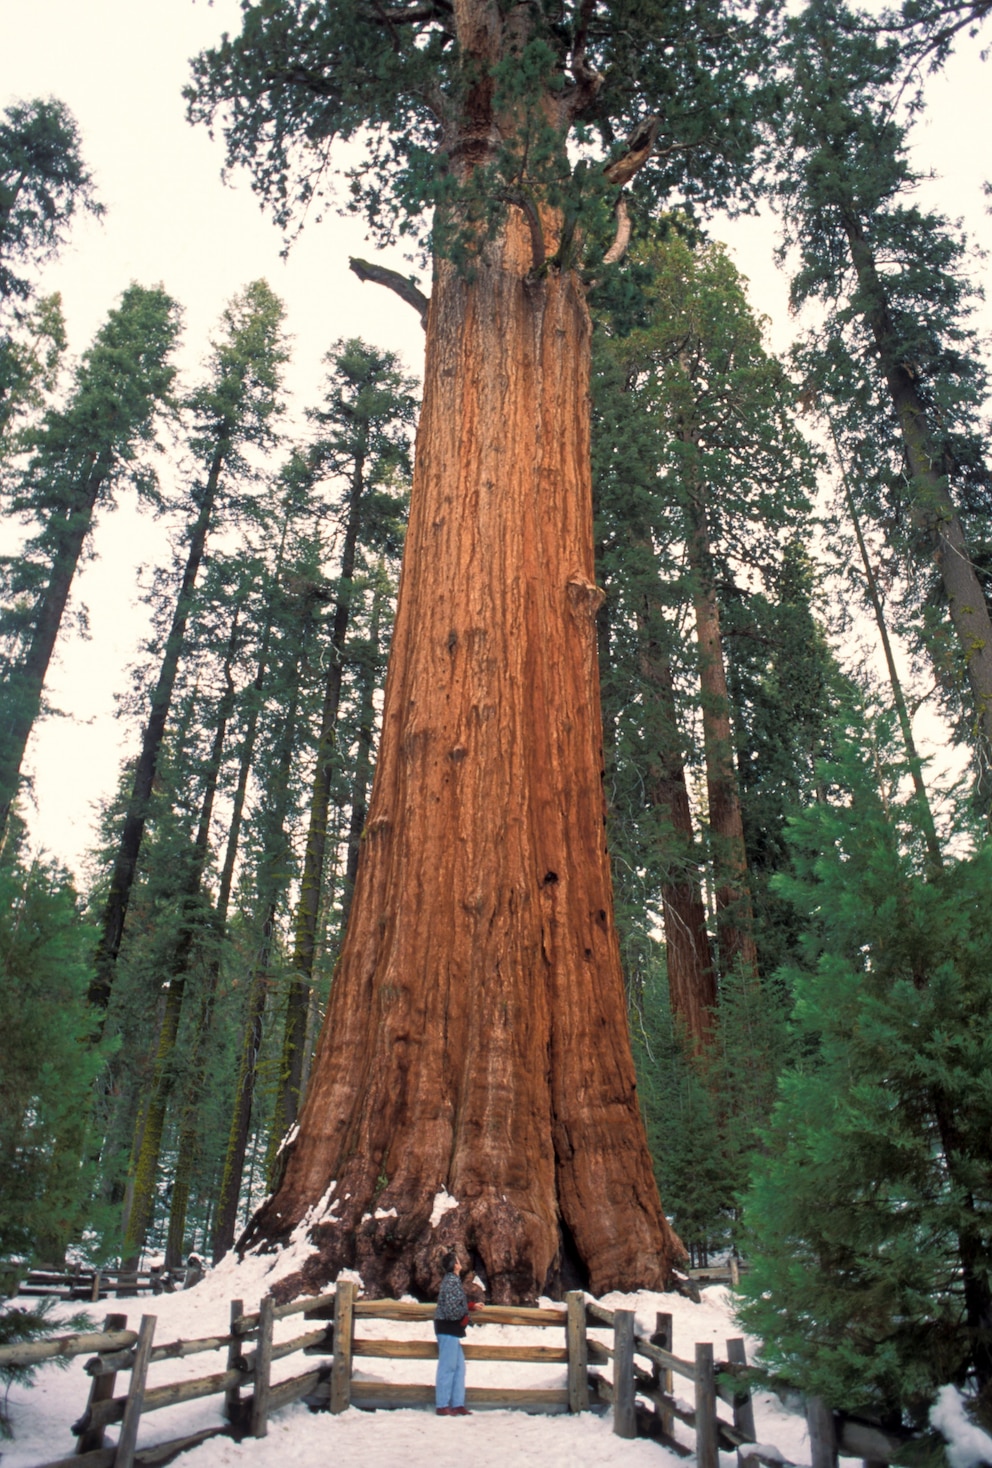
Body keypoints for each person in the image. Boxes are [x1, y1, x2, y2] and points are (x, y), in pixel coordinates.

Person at [433, 1248, 480, 1416]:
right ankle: (442, 1405)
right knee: (448, 1366)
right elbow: (452, 1310)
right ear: (454, 1265)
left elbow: (454, 1304)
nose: (460, 1263)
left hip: (451, 1329)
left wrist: (470, 1307)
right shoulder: (451, 1281)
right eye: (458, 1261)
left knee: (459, 1367)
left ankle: (458, 1403)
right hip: (447, 1328)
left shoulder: (453, 1280)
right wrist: (465, 1318)